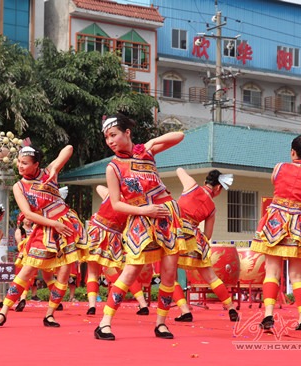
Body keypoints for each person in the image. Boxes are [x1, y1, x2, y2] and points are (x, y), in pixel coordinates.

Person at [94, 113, 184, 341]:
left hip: (165, 215)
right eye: (107, 138)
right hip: (140, 217)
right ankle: (104, 323)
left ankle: (161, 323)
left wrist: (151, 144)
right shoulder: (113, 168)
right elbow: (116, 204)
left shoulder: (148, 153)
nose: (110, 141)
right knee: (131, 270)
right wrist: (146, 211)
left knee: (169, 272)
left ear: (127, 133)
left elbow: (179, 135)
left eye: (114, 135)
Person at [0, 144, 83, 328]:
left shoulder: (48, 172)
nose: (20, 166)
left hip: (66, 225)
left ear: (36, 164)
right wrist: (54, 224)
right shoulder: (19, 186)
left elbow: (69, 148)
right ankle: (3, 312)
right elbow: (29, 214)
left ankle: (50, 314)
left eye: (25, 163)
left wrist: (55, 169)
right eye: (19, 162)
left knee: (64, 273)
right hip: (45, 228)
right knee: (27, 270)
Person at [251, 134, 301, 331]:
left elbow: (277, 185)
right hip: (300, 224)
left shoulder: (279, 167)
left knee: (272, 271)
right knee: (297, 275)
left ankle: (268, 315)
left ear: (292, 152)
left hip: (276, 222)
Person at [172, 168, 239, 322]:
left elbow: (179, 170)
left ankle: (184, 310)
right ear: (217, 188)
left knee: (169, 275)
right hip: (194, 240)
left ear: (205, 182)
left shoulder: (192, 186)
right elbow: (208, 235)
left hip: (175, 234)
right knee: (210, 277)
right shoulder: (212, 208)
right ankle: (231, 308)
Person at [85, 185, 150, 316]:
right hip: (115, 237)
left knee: (93, 272)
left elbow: (98, 187)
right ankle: (143, 304)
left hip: (97, 232)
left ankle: (92, 305)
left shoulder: (111, 196)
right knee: (125, 273)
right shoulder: (134, 206)